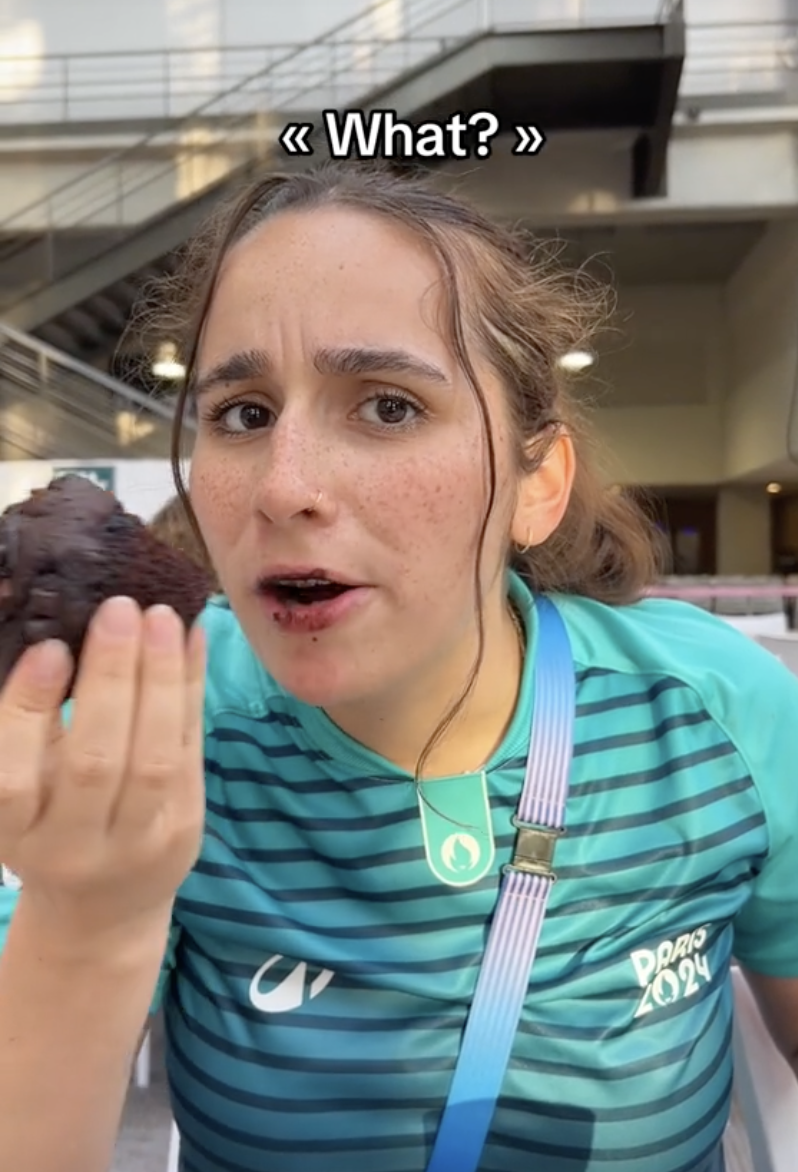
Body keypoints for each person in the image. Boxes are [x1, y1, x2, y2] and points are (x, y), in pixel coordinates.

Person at [0, 162, 796, 1172]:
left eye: (386, 407)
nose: (284, 486)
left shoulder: (717, 714)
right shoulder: (165, 731)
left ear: (535, 481)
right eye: (242, 413)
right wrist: (90, 911)